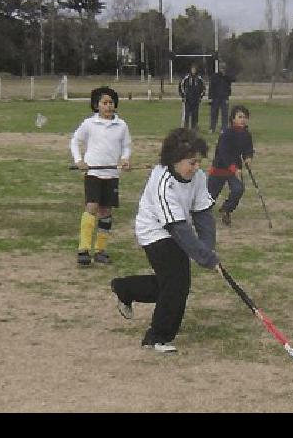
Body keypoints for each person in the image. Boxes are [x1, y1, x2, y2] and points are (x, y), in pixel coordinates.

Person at [109, 128, 219, 354]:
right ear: (174, 160)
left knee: (170, 283)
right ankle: (157, 336)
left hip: (177, 228)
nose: (197, 167)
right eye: (191, 162)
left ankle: (126, 288)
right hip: (155, 231)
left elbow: (203, 214)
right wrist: (203, 257)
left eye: (199, 162)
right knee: (178, 281)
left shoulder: (198, 177)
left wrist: (207, 248)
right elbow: (177, 228)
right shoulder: (163, 182)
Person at [70, 86, 132, 266]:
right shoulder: (89, 124)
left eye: (111, 102)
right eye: (104, 103)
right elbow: (75, 140)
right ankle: (84, 249)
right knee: (92, 206)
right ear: (96, 105)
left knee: (106, 211)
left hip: (112, 174)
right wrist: (79, 160)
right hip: (93, 172)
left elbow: (127, 146)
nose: (108, 106)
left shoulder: (121, 125)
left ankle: (100, 250)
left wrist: (125, 159)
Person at [207, 105, 254, 226]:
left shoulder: (246, 135)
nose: (243, 120)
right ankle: (199, 213)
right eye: (240, 117)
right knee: (210, 196)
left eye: (245, 117)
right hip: (220, 167)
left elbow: (248, 148)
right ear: (233, 119)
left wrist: (248, 157)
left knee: (238, 189)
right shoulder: (226, 134)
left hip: (235, 169)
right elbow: (223, 153)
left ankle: (226, 210)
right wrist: (233, 168)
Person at [208, 63, 234, 133]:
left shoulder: (227, 77)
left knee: (225, 114)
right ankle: (212, 128)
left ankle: (224, 128)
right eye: (221, 68)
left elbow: (229, 87)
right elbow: (211, 87)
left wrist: (228, 97)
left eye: (224, 68)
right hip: (215, 98)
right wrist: (210, 97)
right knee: (214, 114)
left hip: (224, 98)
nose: (222, 70)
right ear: (219, 69)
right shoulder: (214, 76)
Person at [179, 64, 206, 130]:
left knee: (195, 115)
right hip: (187, 100)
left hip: (196, 100)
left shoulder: (199, 79)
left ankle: (194, 128)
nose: (193, 71)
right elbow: (181, 86)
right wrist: (183, 96)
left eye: (194, 69)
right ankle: (185, 128)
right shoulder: (186, 78)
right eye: (192, 69)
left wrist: (200, 97)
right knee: (186, 115)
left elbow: (203, 88)